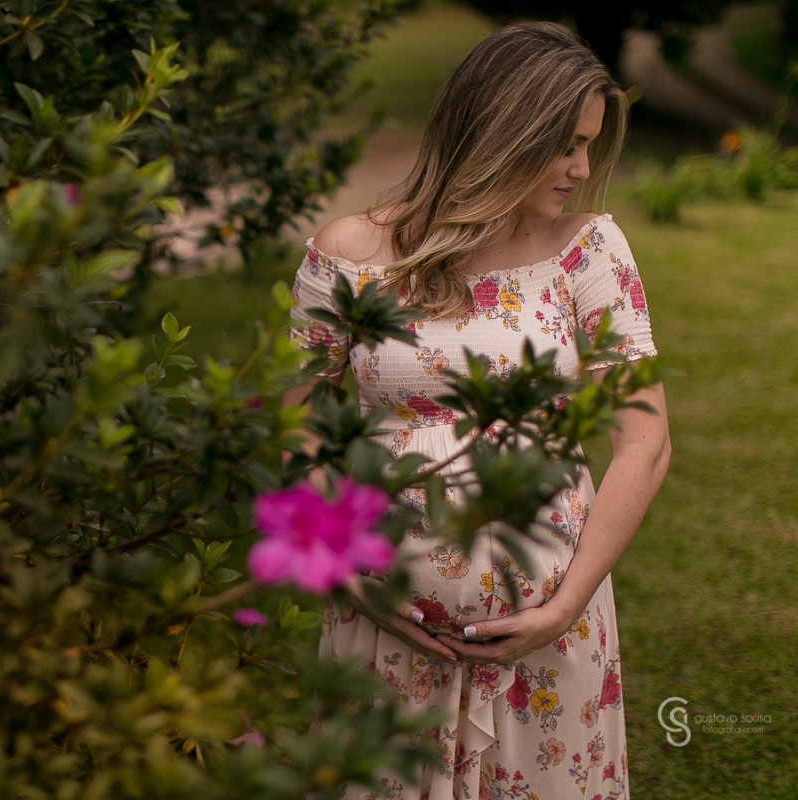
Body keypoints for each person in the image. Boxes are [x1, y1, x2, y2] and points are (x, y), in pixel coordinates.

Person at [286, 22, 671, 800]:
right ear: (504, 132)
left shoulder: (587, 250)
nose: (581, 168)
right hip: (382, 629)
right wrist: (352, 576)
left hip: (548, 640)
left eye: (589, 144)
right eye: (564, 144)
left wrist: (564, 608)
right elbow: (296, 427)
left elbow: (646, 440)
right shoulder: (351, 253)